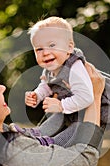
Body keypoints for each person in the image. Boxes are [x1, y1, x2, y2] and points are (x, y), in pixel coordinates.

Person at [20, 16, 94, 147]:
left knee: (76, 129)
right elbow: (47, 86)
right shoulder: (50, 68)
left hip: (88, 111)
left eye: (52, 45)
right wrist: (37, 95)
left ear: (69, 48)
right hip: (72, 108)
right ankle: (36, 134)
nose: (45, 52)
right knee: (55, 117)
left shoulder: (74, 68)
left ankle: (52, 141)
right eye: (39, 49)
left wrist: (61, 105)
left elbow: (87, 97)